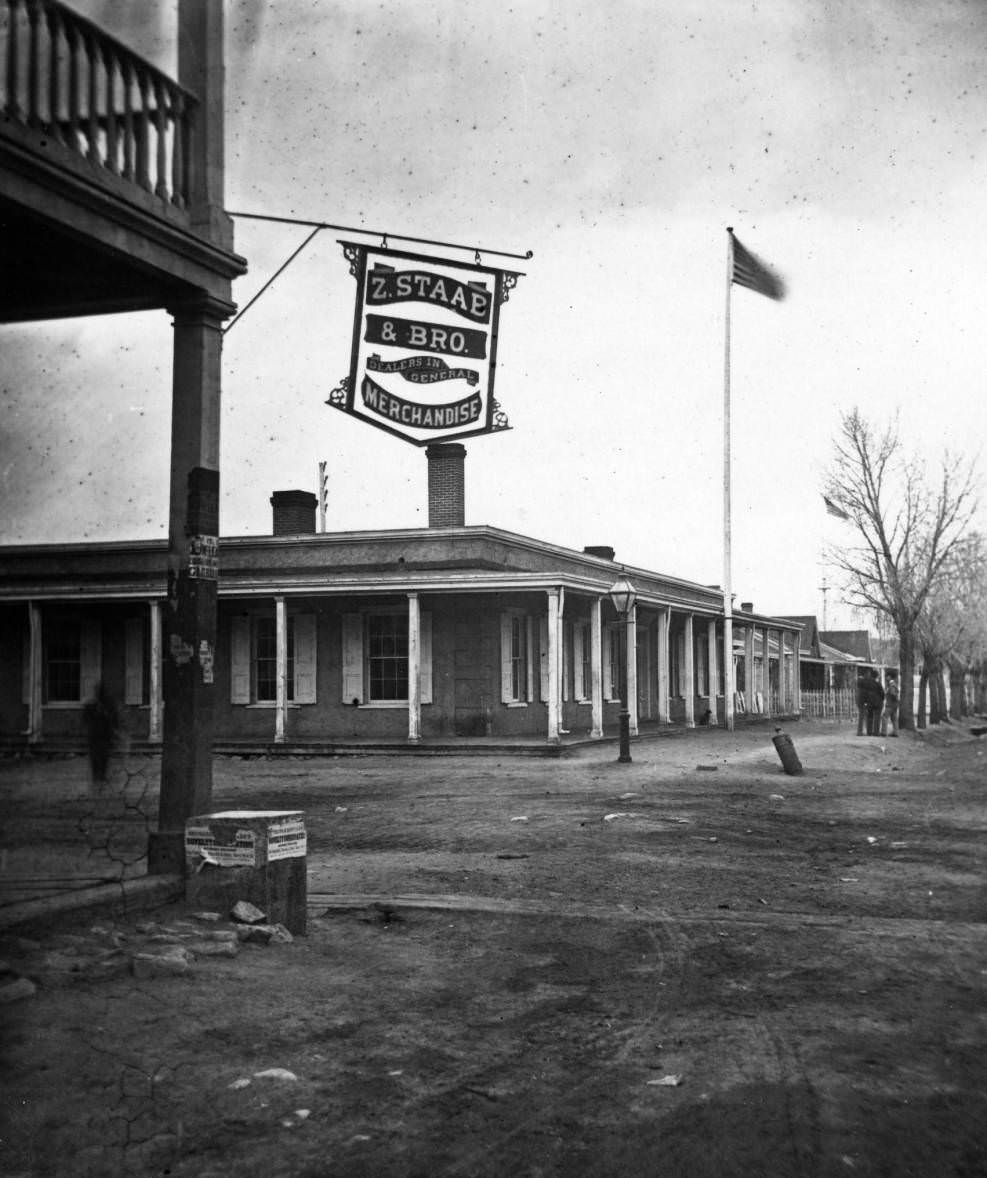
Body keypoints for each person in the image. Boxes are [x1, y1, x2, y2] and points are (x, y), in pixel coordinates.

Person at [82, 681, 118, 787]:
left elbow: (114, 720)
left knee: (104, 758)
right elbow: (85, 720)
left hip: (105, 737)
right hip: (94, 737)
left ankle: (101, 777)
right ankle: (96, 778)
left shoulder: (109, 706)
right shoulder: (91, 706)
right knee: (95, 758)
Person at [866, 668, 885, 736]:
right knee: (877, 717)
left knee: (869, 717)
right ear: (877, 676)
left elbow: (865, 693)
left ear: (871, 675)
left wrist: (866, 701)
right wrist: (882, 699)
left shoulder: (867, 683)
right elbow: (882, 693)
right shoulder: (878, 683)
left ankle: (869, 732)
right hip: (878, 702)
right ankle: (876, 732)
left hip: (869, 702)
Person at [882, 670, 900, 737]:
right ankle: (896, 732)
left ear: (890, 676)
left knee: (884, 717)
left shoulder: (891, 685)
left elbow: (893, 694)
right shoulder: (894, 684)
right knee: (894, 719)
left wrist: (894, 699)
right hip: (894, 705)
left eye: (887, 676)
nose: (886, 677)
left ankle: (883, 732)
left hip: (890, 704)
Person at [855, 671, 870, 736]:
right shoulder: (863, 687)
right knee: (863, 717)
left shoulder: (859, 688)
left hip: (860, 702)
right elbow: (864, 696)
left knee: (863, 716)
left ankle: (861, 731)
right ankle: (861, 731)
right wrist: (866, 703)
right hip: (862, 703)